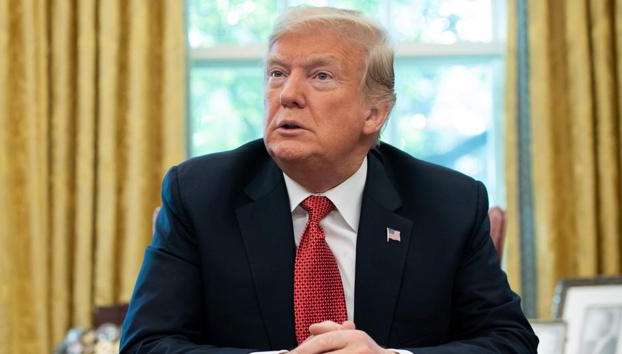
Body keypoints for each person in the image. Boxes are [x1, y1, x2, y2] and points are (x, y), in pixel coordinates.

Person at [119, 6, 538, 354]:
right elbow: (145, 344)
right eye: (277, 73)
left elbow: (512, 341)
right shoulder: (200, 194)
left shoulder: (448, 203)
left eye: (320, 76)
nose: (288, 94)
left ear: (374, 113)